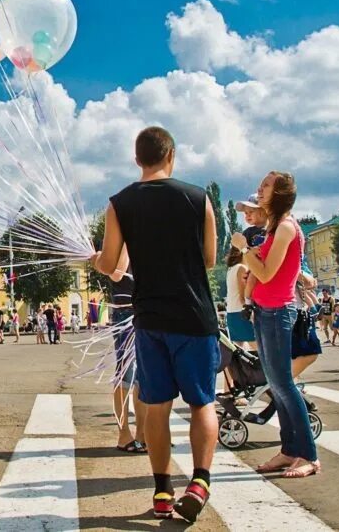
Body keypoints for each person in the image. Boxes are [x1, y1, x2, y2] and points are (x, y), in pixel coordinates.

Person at [92, 126, 219, 522]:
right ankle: (199, 481)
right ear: (172, 155)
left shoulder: (120, 203)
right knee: (202, 402)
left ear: (137, 159)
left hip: (149, 318)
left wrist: (97, 258)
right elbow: (210, 259)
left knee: (157, 407)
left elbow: (111, 264)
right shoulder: (199, 199)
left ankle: (163, 491)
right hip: (195, 315)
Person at [230, 170, 320, 479]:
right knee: (276, 384)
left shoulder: (285, 228)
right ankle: (288, 450)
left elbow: (267, 273)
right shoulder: (273, 228)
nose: (260, 187)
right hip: (264, 311)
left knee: (284, 384)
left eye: (266, 185)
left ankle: (309, 455)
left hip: (279, 312)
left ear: (280, 193)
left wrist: (244, 249)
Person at [109, 251, 146, 454]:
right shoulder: (121, 239)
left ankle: (142, 434)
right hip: (126, 312)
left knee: (144, 376)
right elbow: (116, 273)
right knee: (126, 374)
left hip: (147, 309)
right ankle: (124, 434)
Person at [224, 247, 255, 350]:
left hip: (231, 314)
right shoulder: (242, 268)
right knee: (258, 348)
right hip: (241, 313)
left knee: (239, 353)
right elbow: (243, 297)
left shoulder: (231, 270)